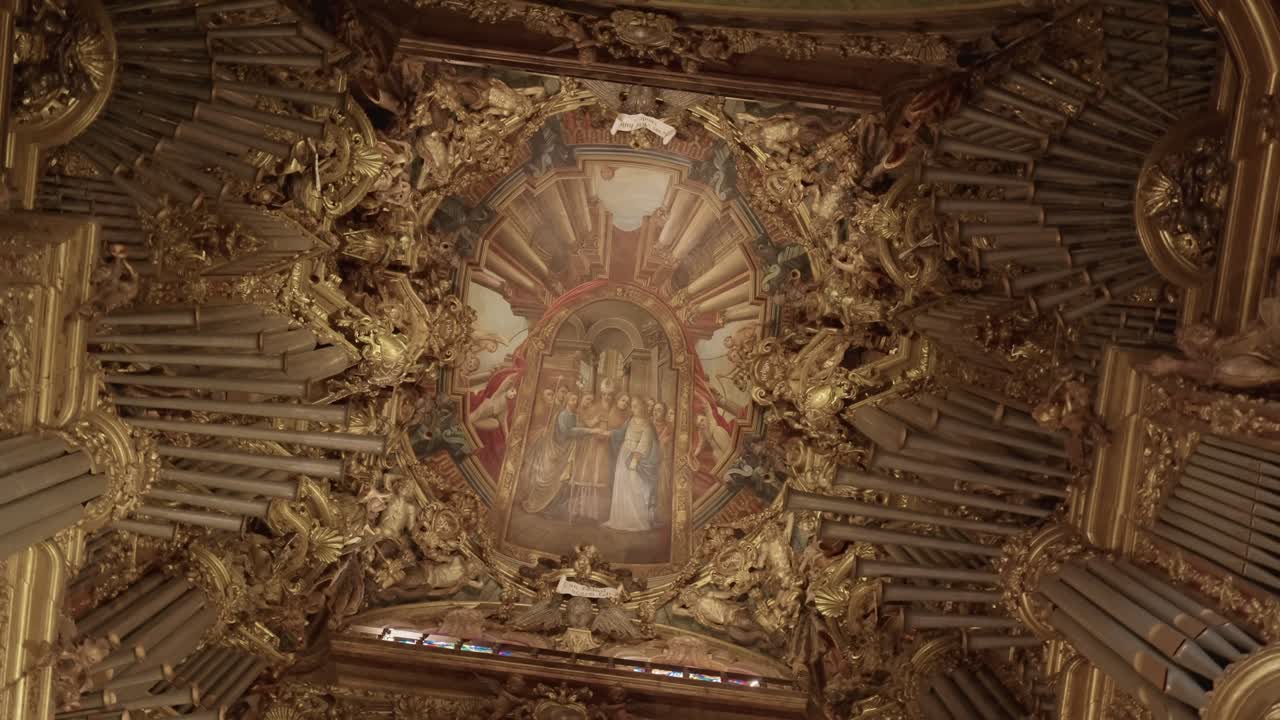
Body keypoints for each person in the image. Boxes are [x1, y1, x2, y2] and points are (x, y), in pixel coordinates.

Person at [602, 397, 660, 531]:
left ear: (642, 407)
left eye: (636, 406)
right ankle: (618, 519)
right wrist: (610, 433)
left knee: (633, 488)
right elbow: (621, 433)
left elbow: (645, 444)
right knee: (621, 484)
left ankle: (634, 520)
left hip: (634, 458)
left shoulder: (647, 425)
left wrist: (635, 460)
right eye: (632, 406)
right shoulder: (630, 420)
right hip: (624, 454)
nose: (633, 408)